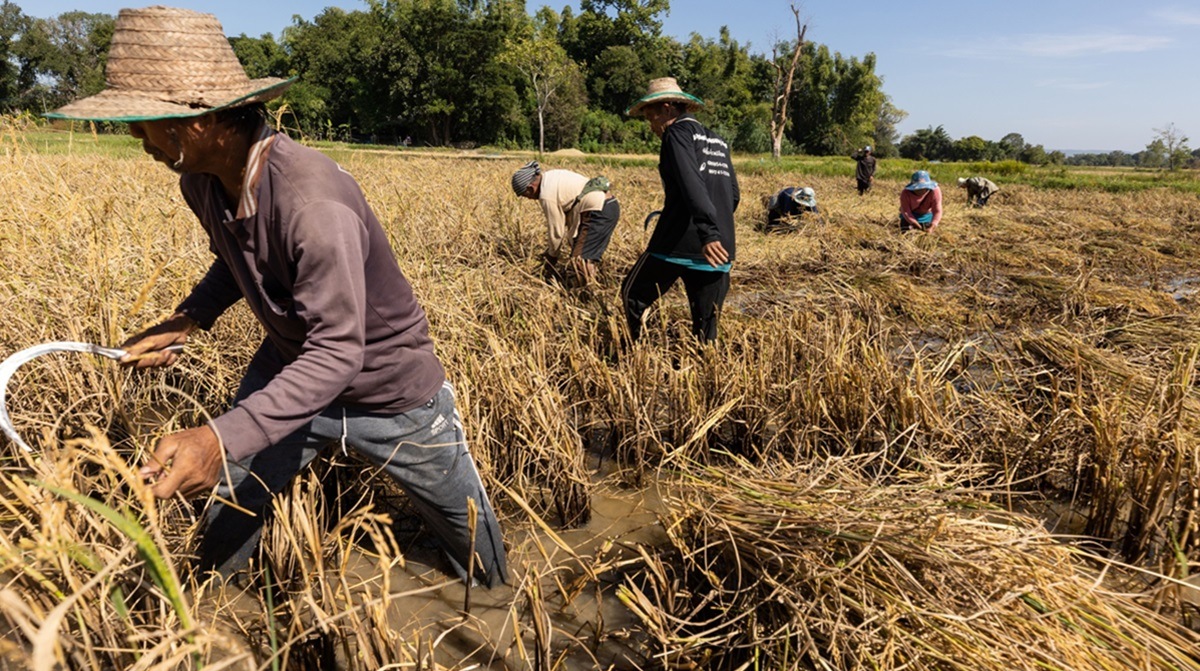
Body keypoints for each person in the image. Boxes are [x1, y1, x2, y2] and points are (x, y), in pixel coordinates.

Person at [45, 6, 507, 587]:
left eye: (143, 123)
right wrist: (188, 318)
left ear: (198, 122)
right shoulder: (201, 181)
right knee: (232, 505)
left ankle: (497, 599)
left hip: (391, 390)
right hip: (290, 367)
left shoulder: (313, 206)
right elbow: (235, 259)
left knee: (471, 536)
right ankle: (208, 601)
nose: (137, 139)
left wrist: (219, 438)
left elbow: (338, 352)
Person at [621, 77, 739, 344]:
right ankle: (705, 366)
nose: (651, 126)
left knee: (633, 293)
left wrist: (706, 232)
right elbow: (733, 195)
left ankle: (640, 351)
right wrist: (715, 230)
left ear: (666, 108)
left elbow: (690, 182)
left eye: (650, 117)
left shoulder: (676, 134)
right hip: (719, 248)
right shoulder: (718, 141)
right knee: (706, 323)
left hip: (679, 241)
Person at [512, 161, 621, 285]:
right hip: (609, 205)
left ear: (530, 188)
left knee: (580, 259)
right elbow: (571, 215)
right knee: (584, 254)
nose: (529, 199)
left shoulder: (546, 194)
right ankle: (592, 283)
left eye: (525, 195)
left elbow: (556, 232)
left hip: (598, 211)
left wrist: (551, 259)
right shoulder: (551, 177)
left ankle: (590, 291)